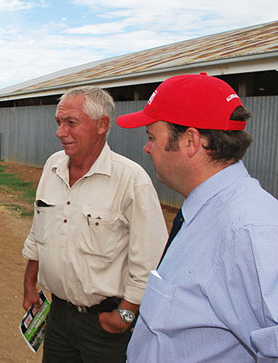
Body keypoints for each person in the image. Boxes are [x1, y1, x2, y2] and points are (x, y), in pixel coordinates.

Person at [116, 73, 278, 361]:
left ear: (191, 141)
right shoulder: (206, 212)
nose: (147, 148)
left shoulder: (252, 232)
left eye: (152, 137)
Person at [22, 86, 168, 363]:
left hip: (104, 324)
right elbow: (37, 231)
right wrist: (30, 284)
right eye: (58, 122)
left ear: (102, 125)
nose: (60, 132)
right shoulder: (53, 166)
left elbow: (151, 259)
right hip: (58, 315)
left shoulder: (130, 180)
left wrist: (124, 316)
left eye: (71, 123)